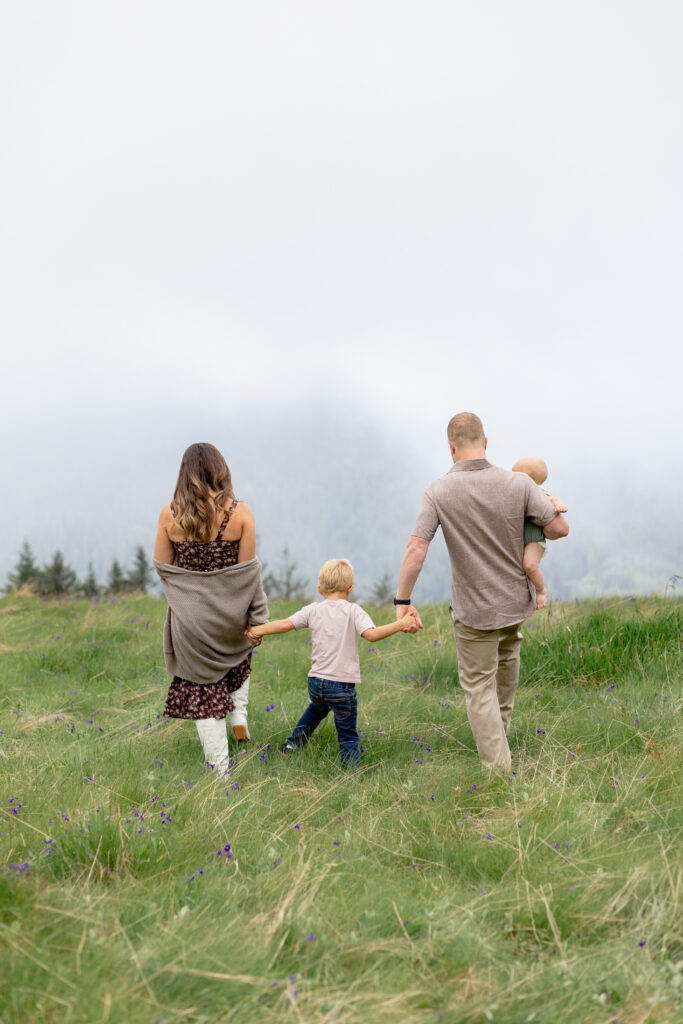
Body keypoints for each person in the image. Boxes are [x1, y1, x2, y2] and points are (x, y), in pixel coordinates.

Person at [394, 413, 569, 769]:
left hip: (474, 611)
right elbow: (558, 529)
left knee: (479, 688)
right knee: (504, 677)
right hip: (514, 604)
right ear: (485, 443)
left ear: (451, 447)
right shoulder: (518, 484)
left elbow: (416, 549)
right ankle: (500, 746)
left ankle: (499, 772)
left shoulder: (438, 490)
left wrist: (402, 601)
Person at [154, 443, 268, 770]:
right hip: (230, 615)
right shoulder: (241, 513)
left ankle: (219, 773)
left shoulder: (169, 513)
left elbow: (164, 566)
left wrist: (190, 592)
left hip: (189, 621)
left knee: (203, 693)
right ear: (220, 470)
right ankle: (238, 715)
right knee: (238, 657)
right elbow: (245, 573)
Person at [246, 558, 417, 766]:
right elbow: (371, 635)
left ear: (320, 589)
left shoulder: (312, 610)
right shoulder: (353, 610)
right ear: (350, 589)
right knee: (348, 735)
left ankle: (292, 746)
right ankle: (351, 774)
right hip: (341, 687)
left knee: (316, 710)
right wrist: (401, 624)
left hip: (316, 683)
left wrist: (256, 630)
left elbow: (284, 625)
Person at [511, 457, 567, 610]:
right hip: (523, 540)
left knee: (529, 565)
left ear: (528, 478)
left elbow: (552, 498)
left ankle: (541, 590)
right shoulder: (518, 493)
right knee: (522, 568)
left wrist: (558, 505)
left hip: (535, 540)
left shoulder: (538, 492)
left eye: (515, 475)